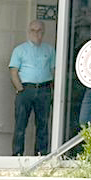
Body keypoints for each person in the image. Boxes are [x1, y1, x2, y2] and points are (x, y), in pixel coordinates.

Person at [8, 20, 56, 156]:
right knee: (20, 125)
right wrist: (20, 89)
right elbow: (13, 71)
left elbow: (54, 71)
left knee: (43, 124)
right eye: (33, 30)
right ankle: (17, 154)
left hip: (44, 89)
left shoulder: (49, 49)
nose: (37, 33)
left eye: (40, 30)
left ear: (44, 32)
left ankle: (41, 154)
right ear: (29, 32)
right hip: (26, 89)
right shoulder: (20, 50)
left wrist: (53, 90)